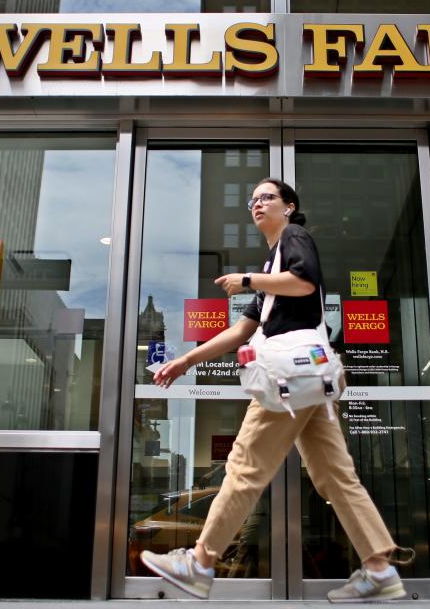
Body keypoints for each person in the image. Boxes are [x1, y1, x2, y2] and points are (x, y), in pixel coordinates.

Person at [140, 178, 411, 602]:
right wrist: (186, 361)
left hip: (289, 380)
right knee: (336, 476)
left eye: (267, 197)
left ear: (289, 206)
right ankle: (378, 569)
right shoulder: (270, 272)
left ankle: (200, 563)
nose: (256, 204)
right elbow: (241, 331)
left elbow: (303, 282)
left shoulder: (293, 237)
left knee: (245, 468)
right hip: (310, 382)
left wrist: (247, 279)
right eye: (253, 200)